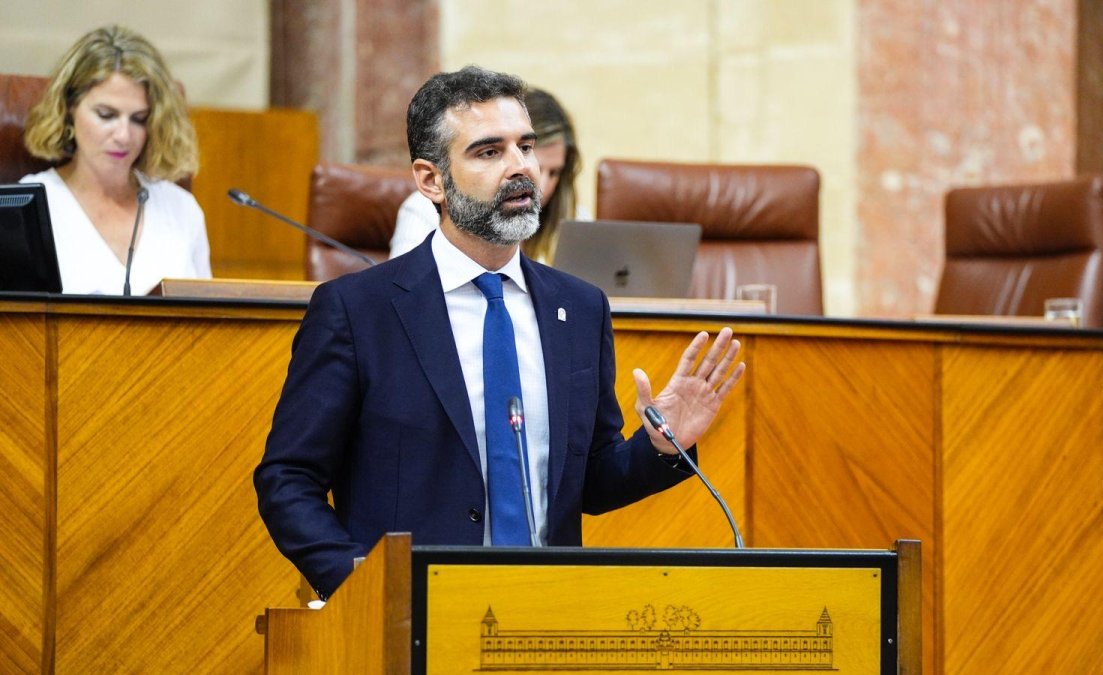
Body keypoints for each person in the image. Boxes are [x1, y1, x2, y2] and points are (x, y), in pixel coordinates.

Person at [255, 65, 745, 599]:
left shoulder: (579, 307)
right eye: (489, 152)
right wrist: (366, 586)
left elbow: (592, 482)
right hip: (407, 618)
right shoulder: (357, 310)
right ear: (430, 180)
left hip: (544, 613)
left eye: (526, 147)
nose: (521, 169)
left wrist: (661, 445)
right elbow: (288, 480)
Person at [21, 25, 211, 295]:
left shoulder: (181, 208)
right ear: (69, 108)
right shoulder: (31, 203)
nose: (123, 136)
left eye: (138, 119)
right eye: (106, 115)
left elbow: (209, 327)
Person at [388, 87, 579, 263]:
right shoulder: (424, 209)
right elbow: (402, 289)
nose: (542, 186)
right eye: (490, 153)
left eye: (554, 173)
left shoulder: (573, 218)